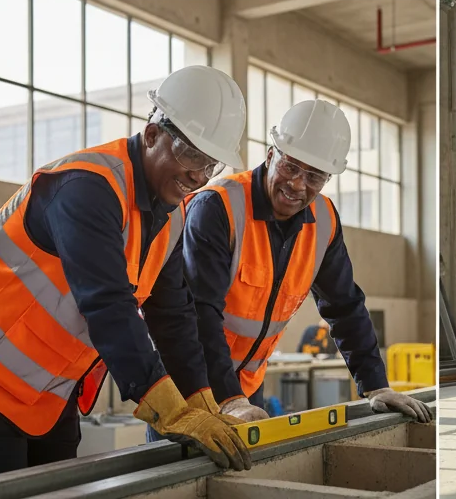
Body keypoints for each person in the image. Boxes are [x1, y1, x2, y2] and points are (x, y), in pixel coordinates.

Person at [0, 67, 253, 482]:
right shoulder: (88, 187)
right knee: (0, 490)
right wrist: (171, 412)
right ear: (152, 134)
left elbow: (173, 316)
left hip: (48, 385)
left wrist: (202, 404)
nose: (199, 176)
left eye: (211, 164)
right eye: (191, 156)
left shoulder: (172, 215)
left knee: (61, 487)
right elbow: (107, 305)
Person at [183, 99, 430, 425]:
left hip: (245, 389)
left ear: (327, 178)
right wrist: (228, 400)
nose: (298, 184)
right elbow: (199, 312)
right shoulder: (218, 209)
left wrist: (376, 386)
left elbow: (345, 307)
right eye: (291, 166)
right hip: (189, 385)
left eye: (314, 176)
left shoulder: (324, 222)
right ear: (271, 155)